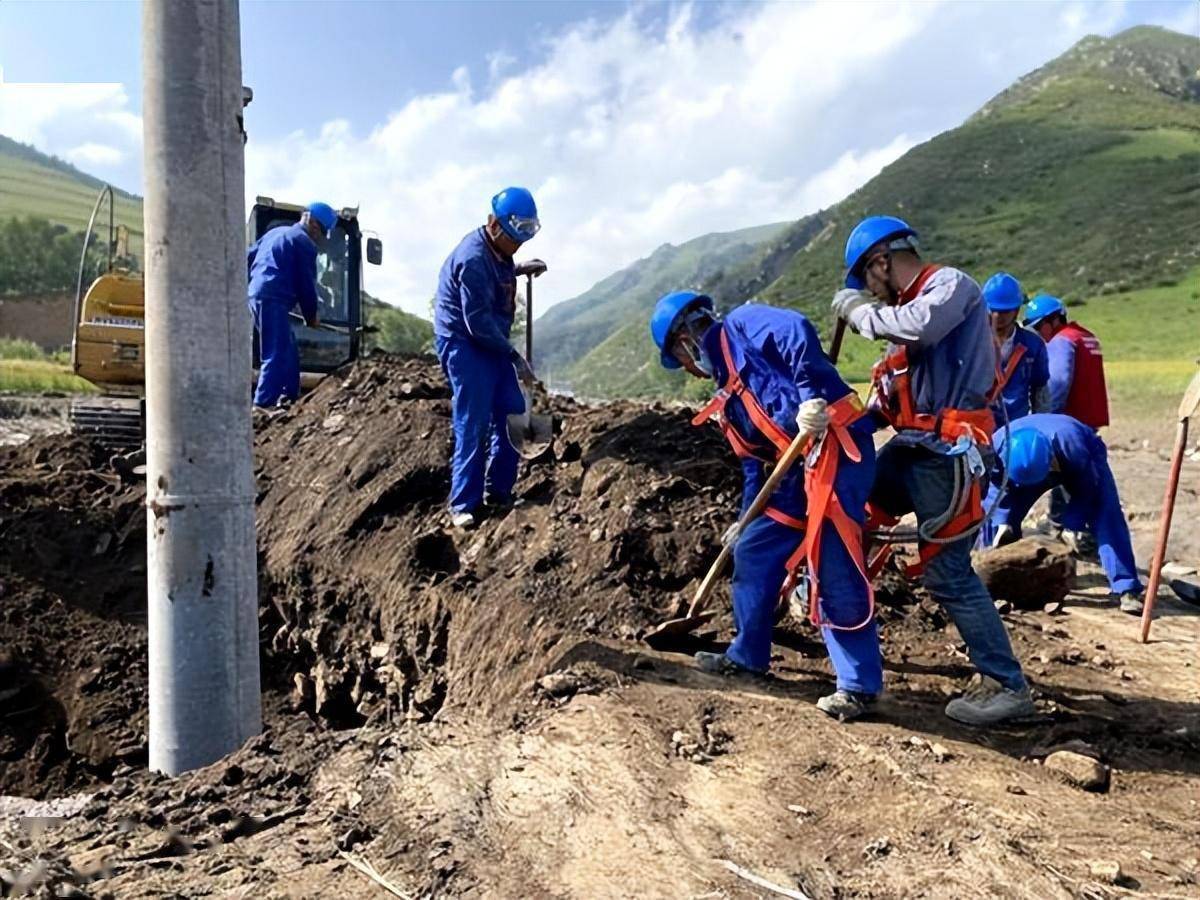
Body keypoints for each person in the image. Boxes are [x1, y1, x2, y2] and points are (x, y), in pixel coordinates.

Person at [831, 215, 1034, 727]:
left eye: (869, 281)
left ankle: (1008, 686)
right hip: (914, 447)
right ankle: (843, 611)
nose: (873, 293)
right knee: (852, 500)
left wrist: (860, 312)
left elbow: (915, 323)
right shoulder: (908, 315)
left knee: (948, 571)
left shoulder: (949, 289)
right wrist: (831, 419)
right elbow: (887, 403)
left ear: (881, 262)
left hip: (948, 456)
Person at [649, 291, 883, 721]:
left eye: (678, 358)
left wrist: (813, 397)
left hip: (837, 449)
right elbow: (755, 468)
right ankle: (746, 657)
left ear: (684, 339)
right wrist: (744, 521)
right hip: (796, 474)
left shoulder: (742, 324)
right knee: (754, 549)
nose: (688, 369)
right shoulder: (727, 399)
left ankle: (858, 685)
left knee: (831, 559)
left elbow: (795, 328)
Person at [433, 187, 541, 529]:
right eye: (513, 241)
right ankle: (463, 504)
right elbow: (476, 321)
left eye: (521, 242)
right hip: (465, 343)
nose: (516, 247)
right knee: (474, 421)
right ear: (493, 224)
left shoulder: (500, 250)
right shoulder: (473, 258)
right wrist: (515, 357)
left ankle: (499, 491)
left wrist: (520, 268)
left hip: (491, 341)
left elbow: (501, 272)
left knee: (512, 412)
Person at [982, 414, 1145, 615]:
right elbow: (995, 487)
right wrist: (1002, 522)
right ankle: (992, 586)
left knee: (1106, 513)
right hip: (1024, 473)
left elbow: (1087, 489)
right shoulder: (998, 446)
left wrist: (1072, 524)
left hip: (1081, 459)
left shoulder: (1072, 444)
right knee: (992, 521)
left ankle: (1126, 587)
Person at [246, 201, 337, 408]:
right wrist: (311, 315)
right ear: (311, 221)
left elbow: (248, 258)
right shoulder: (303, 242)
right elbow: (306, 285)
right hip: (273, 297)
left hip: (258, 294)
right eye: (320, 230)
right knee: (276, 352)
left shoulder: (276, 232)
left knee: (288, 348)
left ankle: (289, 397)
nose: (318, 235)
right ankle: (262, 406)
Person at [1023, 293, 1109, 429]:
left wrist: (1044, 420)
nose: (1037, 333)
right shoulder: (1085, 336)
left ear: (1054, 319)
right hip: (1089, 423)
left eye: (1038, 326)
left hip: (1068, 424)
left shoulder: (1062, 341)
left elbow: (1057, 384)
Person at [982, 272, 1050, 425]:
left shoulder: (1033, 345)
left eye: (1005, 311)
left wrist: (1041, 426)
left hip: (1017, 428)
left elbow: (1040, 392)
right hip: (978, 429)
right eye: (993, 310)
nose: (997, 316)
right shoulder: (971, 343)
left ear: (1017, 310)